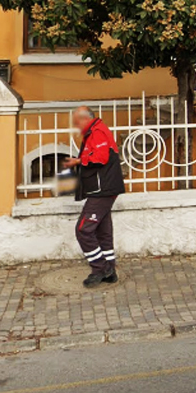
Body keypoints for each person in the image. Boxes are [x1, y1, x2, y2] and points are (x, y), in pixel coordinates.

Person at [64, 106, 124, 287]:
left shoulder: (97, 132)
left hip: (102, 190)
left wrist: (78, 161)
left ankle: (100, 268)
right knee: (103, 231)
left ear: (85, 119)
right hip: (104, 189)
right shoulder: (95, 131)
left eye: (77, 122)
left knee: (83, 230)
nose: (76, 126)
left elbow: (100, 158)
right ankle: (110, 270)